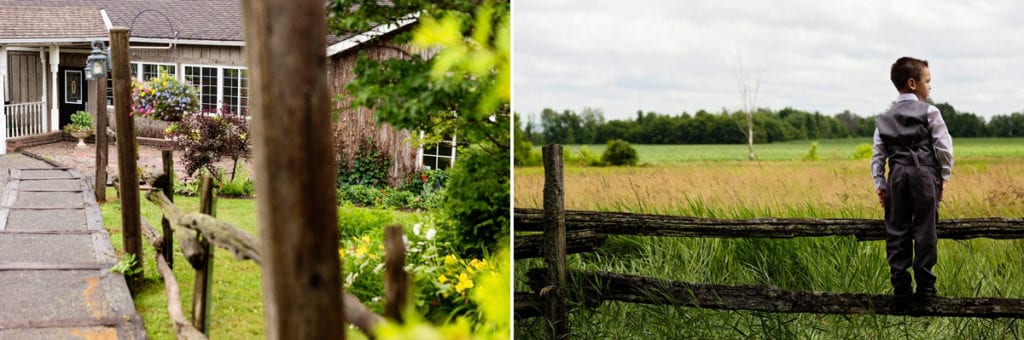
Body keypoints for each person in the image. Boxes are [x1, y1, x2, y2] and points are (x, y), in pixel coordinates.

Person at [871, 56, 953, 307]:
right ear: (912, 83)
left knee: (896, 227)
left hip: (896, 175)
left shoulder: (884, 118)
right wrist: (943, 177)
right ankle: (926, 286)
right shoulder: (930, 111)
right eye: (927, 81)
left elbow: (878, 156)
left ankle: (900, 283)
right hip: (924, 174)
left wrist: (881, 185)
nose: (930, 86)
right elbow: (943, 148)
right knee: (925, 228)